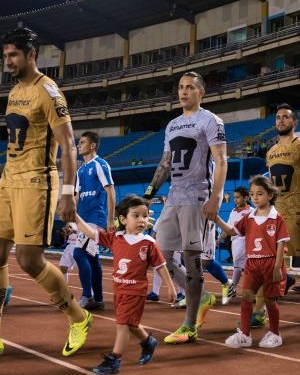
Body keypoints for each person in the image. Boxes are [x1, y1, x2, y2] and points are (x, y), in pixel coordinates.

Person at [0, 27, 91, 358]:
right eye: (5, 56)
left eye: (13, 55)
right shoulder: (14, 92)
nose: (8, 61)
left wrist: (68, 192)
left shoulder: (49, 92)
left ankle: (78, 318)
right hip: (10, 182)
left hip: (37, 183)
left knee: (29, 259)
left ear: (31, 55)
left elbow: (69, 144)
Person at [142, 70, 228, 344]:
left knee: (192, 261)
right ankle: (201, 297)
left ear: (201, 92)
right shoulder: (172, 125)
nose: (184, 92)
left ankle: (190, 324)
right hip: (174, 196)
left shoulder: (211, 121)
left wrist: (216, 197)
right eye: (181, 87)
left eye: (190, 87)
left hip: (197, 197)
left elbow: (222, 160)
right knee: (160, 254)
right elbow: (165, 163)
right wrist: (148, 194)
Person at [73, 196, 177, 374]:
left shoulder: (149, 244)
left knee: (122, 324)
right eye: (136, 216)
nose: (141, 220)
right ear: (123, 219)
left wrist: (171, 287)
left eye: (144, 216)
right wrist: (74, 216)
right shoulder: (116, 238)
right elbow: (91, 233)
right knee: (130, 323)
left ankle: (115, 360)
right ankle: (148, 342)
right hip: (119, 289)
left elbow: (161, 266)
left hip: (135, 291)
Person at [215, 176, 289, 348]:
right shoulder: (248, 217)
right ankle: (245, 335)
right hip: (252, 264)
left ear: (270, 195)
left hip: (270, 264)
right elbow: (232, 231)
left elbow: (281, 244)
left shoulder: (277, 218)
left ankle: (275, 334)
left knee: (270, 301)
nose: (255, 197)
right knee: (246, 297)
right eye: (253, 194)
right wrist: (216, 219)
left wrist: (278, 267)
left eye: (260, 194)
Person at [266, 103, 300, 326]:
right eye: (278, 117)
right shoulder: (270, 152)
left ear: (294, 122)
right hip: (275, 214)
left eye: (285, 117)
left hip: (296, 212)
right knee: (268, 261)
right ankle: (262, 308)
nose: (281, 121)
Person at [74, 131, 116, 311]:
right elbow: (76, 196)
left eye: (82, 142)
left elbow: (110, 192)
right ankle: (98, 299)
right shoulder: (80, 170)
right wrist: (71, 220)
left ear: (92, 146)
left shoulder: (100, 164)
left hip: (95, 218)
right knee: (92, 257)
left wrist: (110, 219)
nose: (78, 145)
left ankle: (87, 295)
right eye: (78, 142)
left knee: (79, 254)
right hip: (82, 220)